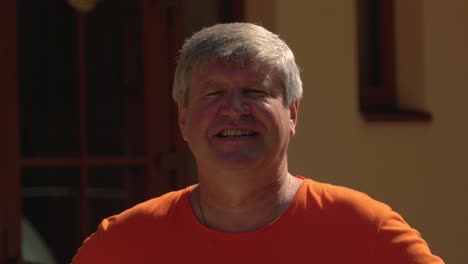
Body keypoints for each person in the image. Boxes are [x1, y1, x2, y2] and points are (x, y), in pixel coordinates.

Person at [72, 23, 443, 263]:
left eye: (255, 91)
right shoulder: (121, 246)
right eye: (213, 93)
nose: (235, 109)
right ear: (183, 119)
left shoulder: (366, 231)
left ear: (292, 114)